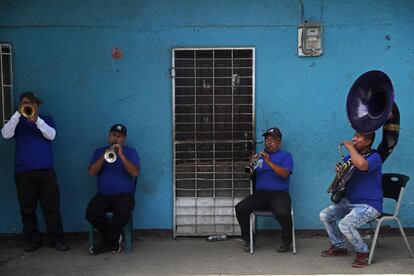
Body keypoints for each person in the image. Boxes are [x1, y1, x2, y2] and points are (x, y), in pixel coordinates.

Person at [1, 91, 69, 252]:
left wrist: (36, 120)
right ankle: (32, 240)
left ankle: (57, 239)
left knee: (51, 208)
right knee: (27, 209)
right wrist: (18, 114)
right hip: (23, 172)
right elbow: (5, 134)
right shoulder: (16, 122)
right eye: (26, 103)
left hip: (45, 171)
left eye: (33, 103)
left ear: (37, 105)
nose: (30, 105)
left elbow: (51, 135)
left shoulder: (46, 120)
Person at [319, 132, 382, 268]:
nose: (353, 139)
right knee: (325, 215)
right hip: (349, 202)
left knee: (345, 225)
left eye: (358, 137)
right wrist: (340, 172)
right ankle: (339, 246)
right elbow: (349, 173)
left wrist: (350, 147)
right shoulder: (351, 157)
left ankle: (362, 253)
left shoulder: (375, 157)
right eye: (354, 136)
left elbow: (362, 165)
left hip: (369, 205)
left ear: (368, 141)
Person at [235, 127, 294, 253]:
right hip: (261, 195)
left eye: (272, 140)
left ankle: (286, 240)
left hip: (279, 194)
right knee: (240, 208)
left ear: (279, 142)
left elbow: (284, 174)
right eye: (267, 139)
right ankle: (249, 239)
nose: (268, 142)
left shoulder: (286, 156)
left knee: (283, 213)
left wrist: (269, 161)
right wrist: (252, 165)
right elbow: (251, 174)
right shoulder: (260, 158)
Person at [85, 123, 140, 255]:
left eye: (119, 136)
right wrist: (103, 158)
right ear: (109, 136)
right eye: (113, 135)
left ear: (124, 139)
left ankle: (106, 243)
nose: (116, 138)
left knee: (122, 212)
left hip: (124, 196)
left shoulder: (131, 152)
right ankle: (114, 238)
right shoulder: (99, 152)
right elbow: (91, 172)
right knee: (91, 213)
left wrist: (121, 156)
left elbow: (135, 173)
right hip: (104, 195)